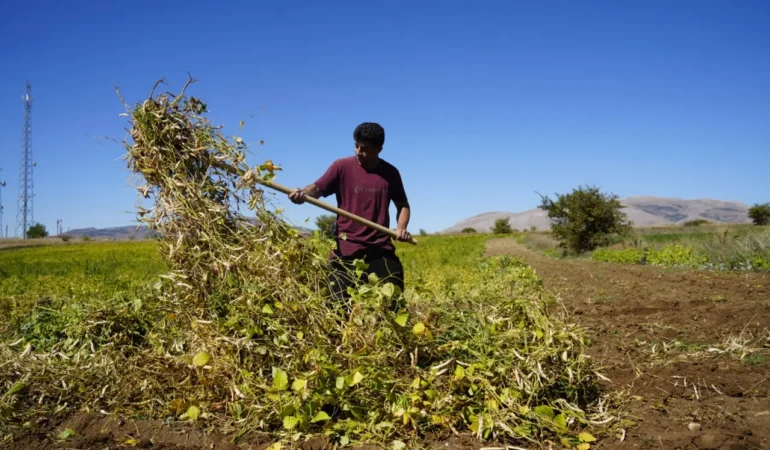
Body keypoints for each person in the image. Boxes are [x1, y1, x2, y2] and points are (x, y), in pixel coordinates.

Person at [288, 122, 411, 310]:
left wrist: (401, 228)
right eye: (356, 146)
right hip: (346, 250)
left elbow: (403, 206)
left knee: (393, 304)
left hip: (380, 249)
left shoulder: (390, 173)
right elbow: (316, 189)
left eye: (365, 149)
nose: (358, 152)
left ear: (379, 149)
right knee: (338, 310)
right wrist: (302, 195)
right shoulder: (341, 167)